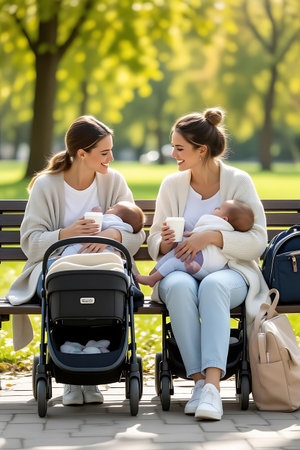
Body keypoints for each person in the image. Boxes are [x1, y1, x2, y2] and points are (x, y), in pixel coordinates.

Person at [6, 115, 145, 407]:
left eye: (111, 150)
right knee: (71, 287)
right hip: (58, 270)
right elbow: (30, 243)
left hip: (104, 269)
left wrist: (111, 236)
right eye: (104, 152)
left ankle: (94, 375)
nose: (111, 158)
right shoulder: (47, 186)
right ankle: (71, 378)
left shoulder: (114, 180)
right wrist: (66, 234)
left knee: (102, 286)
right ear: (82, 153)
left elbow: (136, 233)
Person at [147, 108, 269, 421]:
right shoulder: (171, 185)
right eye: (173, 146)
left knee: (214, 286)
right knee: (177, 286)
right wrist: (165, 243)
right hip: (183, 270)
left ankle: (213, 388)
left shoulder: (238, 181)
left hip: (232, 274)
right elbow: (153, 243)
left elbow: (257, 241)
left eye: (179, 148)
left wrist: (213, 237)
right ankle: (198, 383)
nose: (173, 153)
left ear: (202, 150)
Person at [136, 200, 254, 287]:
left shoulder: (215, 223)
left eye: (219, 209)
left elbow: (198, 234)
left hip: (202, 263)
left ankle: (153, 278)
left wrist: (187, 235)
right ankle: (154, 273)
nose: (216, 208)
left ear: (225, 219)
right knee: (175, 253)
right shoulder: (224, 227)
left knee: (174, 261)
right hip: (208, 264)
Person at [61, 201, 145, 257]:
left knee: (70, 253)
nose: (108, 207)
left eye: (112, 208)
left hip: (85, 249)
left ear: (117, 216)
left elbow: (97, 223)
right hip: (108, 254)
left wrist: (96, 213)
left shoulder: (112, 219)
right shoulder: (125, 226)